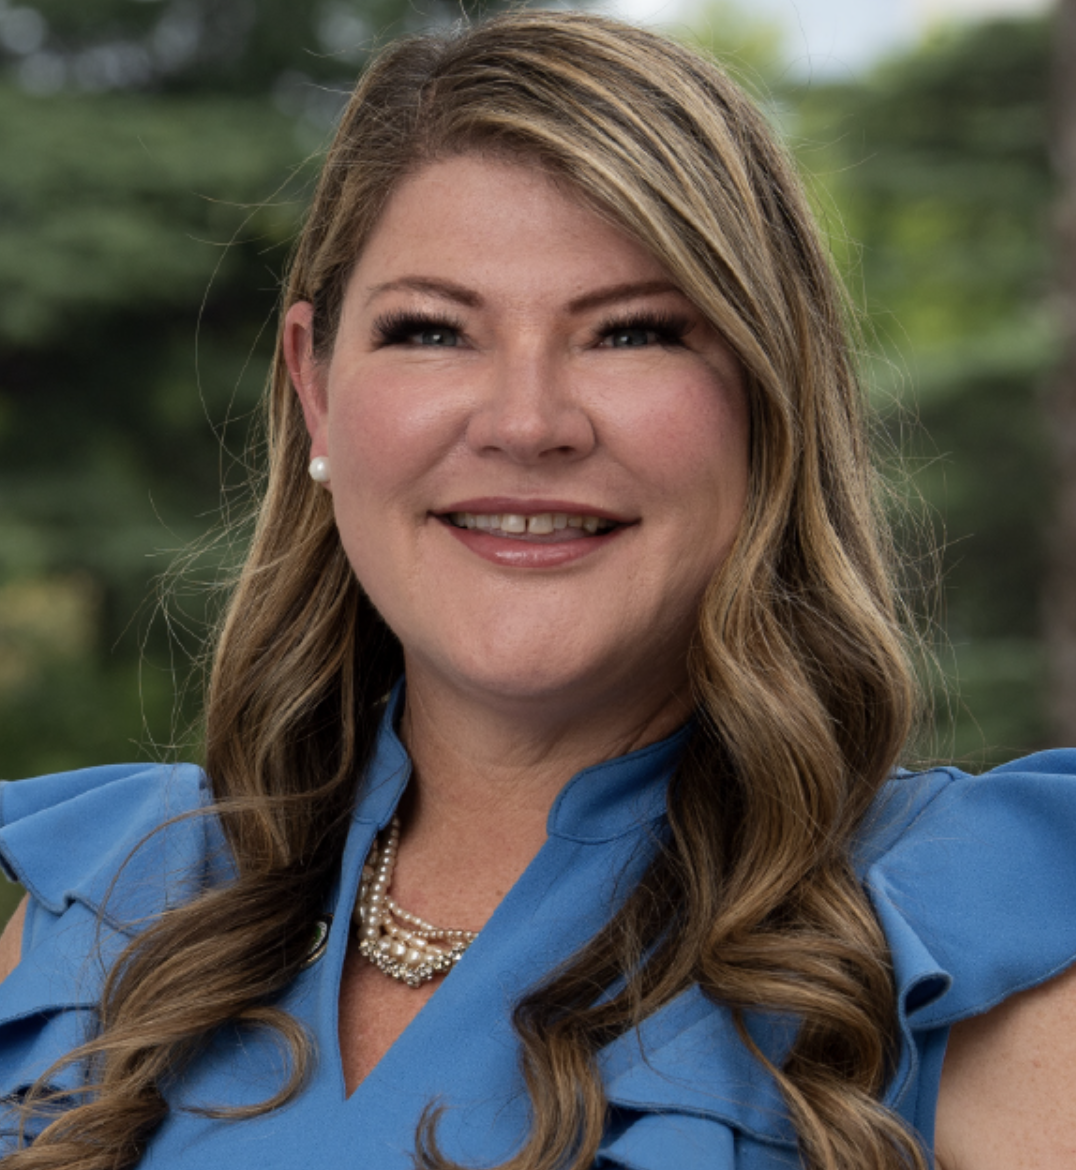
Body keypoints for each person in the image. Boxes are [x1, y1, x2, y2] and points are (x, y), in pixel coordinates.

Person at [0, 10, 1073, 1170]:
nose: (526, 424)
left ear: (772, 394)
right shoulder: (105, 915)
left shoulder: (967, 950)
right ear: (315, 388)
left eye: (629, 334)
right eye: (431, 330)